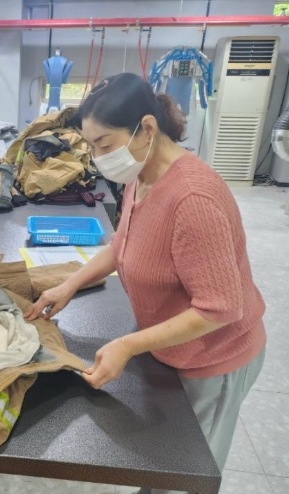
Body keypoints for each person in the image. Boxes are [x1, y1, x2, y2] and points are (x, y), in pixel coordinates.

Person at [25, 73, 266, 494]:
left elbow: (221, 307)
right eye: (91, 146)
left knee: (184, 476)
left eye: (104, 144)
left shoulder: (193, 199)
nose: (99, 157)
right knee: (159, 465)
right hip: (170, 348)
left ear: (147, 128)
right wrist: (69, 284)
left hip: (213, 357)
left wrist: (127, 344)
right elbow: (124, 243)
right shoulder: (141, 175)